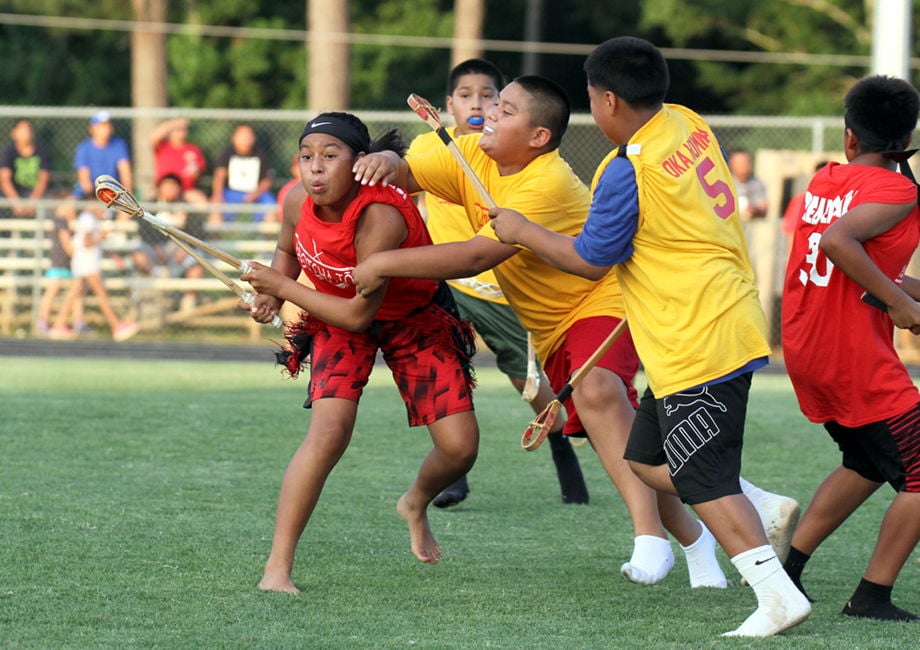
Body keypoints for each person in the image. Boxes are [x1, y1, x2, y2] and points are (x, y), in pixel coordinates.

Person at [352, 75, 730, 591]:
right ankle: (694, 538)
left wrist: (381, 264)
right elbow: (408, 171)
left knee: (598, 391)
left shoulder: (547, 181)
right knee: (615, 437)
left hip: (603, 299)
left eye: (504, 110)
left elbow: (476, 255)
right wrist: (385, 165)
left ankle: (650, 537)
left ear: (538, 138)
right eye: (489, 106)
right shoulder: (468, 153)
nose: (487, 115)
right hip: (550, 327)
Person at [485, 39, 810, 637]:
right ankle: (759, 505)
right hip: (702, 324)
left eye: (590, 100)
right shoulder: (684, 120)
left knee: (700, 478)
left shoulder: (626, 167)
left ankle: (776, 595)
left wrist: (523, 230)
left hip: (699, 335)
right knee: (647, 461)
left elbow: (589, 259)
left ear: (609, 100)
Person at [239, 112, 480, 594]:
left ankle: (415, 501)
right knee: (327, 434)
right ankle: (277, 569)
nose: (315, 169)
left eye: (330, 157)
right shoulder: (294, 199)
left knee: (460, 449)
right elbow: (287, 250)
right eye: (307, 157)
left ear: (359, 164)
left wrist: (284, 286)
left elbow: (356, 315)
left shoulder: (379, 217)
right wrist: (273, 293)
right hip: (336, 315)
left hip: (409, 317)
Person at [408, 57, 588, 507]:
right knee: (446, 370)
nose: (480, 105)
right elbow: (400, 174)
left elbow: (486, 251)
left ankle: (565, 448)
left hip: (497, 285)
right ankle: (454, 470)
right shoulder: (442, 147)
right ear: (448, 105)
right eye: (466, 96)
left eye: (491, 97)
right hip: (447, 282)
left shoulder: (522, 167)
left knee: (527, 381)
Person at [781, 74, 920, 622]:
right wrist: (901, 307)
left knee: (863, 461)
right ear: (906, 138)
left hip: (808, 346)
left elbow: (867, 264)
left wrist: (906, 294)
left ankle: (785, 572)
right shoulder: (898, 191)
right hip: (851, 356)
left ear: (849, 138)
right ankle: (871, 596)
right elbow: (841, 244)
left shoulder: (827, 179)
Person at [50, 206, 139, 342]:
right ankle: (116, 325)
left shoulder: (88, 219)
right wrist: (103, 235)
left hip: (85, 262)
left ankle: (59, 325)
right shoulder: (88, 219)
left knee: (75, 293)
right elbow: (87, 242)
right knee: (101, 294)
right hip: (87, 263)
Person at [131, 174, 205, 313]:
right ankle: (158, 275)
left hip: (180, 250)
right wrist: (156, 246)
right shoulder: (151, 207)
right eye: (166, 186)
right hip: (155, 249)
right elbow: (143, 229)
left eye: (173, 186)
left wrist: (187, 248)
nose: (170, 189)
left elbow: (197, 231)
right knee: (139, 255)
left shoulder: (187, 208)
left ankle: (188, 305)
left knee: (196, 267)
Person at [210, 123, 276, 223]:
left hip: (255, 192)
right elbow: (219, 176)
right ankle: (215, 237)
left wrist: (255, 194)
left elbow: (267, 180)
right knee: (216, 205)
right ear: (234, 137)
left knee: (270, 204)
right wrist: (218, 196)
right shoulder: (227, 153)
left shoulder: (261, 155)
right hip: (231, 193)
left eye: (249, 135)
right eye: (242, 135)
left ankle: (267, 237)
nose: (246, 138)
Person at [35, 192, 78, 336]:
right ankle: (42, 320)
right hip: (59, 261)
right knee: (54, 289)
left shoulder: (66, 220)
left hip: (67, 262)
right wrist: (75, 254)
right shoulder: (60, 221)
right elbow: (66, 241)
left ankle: (77, 321)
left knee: (75, 290)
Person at [73, 111, 133, 202]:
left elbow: (126, 176)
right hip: (89, 196)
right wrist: (94, 203)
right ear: (92, 129)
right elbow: (85, 182)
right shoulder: (84, 148)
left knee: (124, 214)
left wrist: (127, 200)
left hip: (113, 194)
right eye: (101, 125)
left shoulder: (118, 145)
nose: (106, 128)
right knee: (66, 209)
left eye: (108, 125)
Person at [0, 119, 52, 218]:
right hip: (15, 193)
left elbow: (43, 179)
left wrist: (32, 202)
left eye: (28, 129)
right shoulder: (8, 151)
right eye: (22, 129)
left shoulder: (42, 150)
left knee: (54, 202)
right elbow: (5, 180)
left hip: (35, 194)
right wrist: (16, 203)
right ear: (14, 133)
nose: (26, 132)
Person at [149, 117, 208, 203]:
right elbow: (153, 137)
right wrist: (173, 124)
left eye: (183, 129)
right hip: (164, 189)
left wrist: (195, 172)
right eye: (177, 130)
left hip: (185, 191)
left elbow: (199, 170)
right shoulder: (163, 147)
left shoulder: (193, 149)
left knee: (201, 201)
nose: (181, 132)